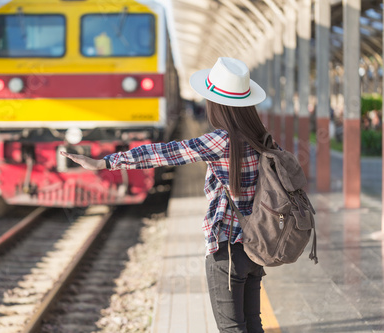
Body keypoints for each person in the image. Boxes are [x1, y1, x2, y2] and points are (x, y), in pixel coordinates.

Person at [61, 57, 272, 333]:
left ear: (217, 105)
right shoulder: (262, 137)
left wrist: (105, 162)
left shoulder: (221, 140)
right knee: (253, 324)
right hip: (256, 248)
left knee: (232, 328)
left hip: (227, 251)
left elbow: (163, 153)